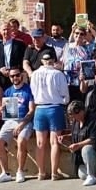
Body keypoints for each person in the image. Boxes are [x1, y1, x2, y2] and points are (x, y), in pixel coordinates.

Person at [30, 51, 69, 181]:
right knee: (54, 142)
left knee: (40, 143)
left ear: (42, 61)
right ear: (53, 60)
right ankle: (54, 172)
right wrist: (63, 101)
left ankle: (41, 172)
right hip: (54, 107)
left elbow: (33, 92)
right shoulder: (58, 74)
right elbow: (65, 94)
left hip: (40, 108)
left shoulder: (35, 74)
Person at [0, 67, 36, 183]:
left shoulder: (29, 90)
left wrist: (22, 124)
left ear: (21, 75)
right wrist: (3, 108)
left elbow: (31, 110)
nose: (15, 78)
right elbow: (6, 112)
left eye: (17, 75)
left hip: (25, 121)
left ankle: (20, 171)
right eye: (12, 76)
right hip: (11, 120)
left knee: (21, 141)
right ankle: (5, 173)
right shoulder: (8, 91)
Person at [59, 100, 96, 186]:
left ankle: (92, 175)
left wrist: (78, 145)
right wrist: (66, 136)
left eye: (75, 115)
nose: (74, 118)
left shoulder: (93, 120)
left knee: (86, 148)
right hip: (82, 159)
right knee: (81, 174)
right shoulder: (76, 121)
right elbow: (76, 133)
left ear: (82, 111)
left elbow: (93, 139)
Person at [0, 21, 27, 90]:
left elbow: (24, 59)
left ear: (11, 30)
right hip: (2, 78)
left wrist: (15, 70)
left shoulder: (20, 44)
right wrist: (0, 69)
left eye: (8, 29)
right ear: (0, 32)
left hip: (16, 77)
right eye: (4, 30)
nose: (6, 31)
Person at [61, 26, 92, 103]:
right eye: (77, 33)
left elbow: (88, 65)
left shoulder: (87, 49)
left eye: (81, 34)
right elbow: (63, 62)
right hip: (67, 80)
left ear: (84, 36)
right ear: (73, 33)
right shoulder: (67, 46)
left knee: (79, 104)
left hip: (80, 81)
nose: (78, 35)